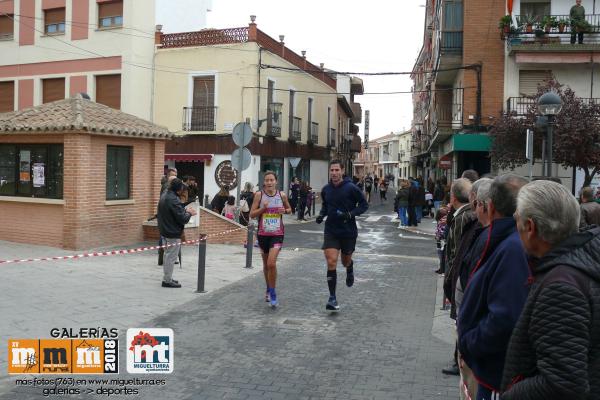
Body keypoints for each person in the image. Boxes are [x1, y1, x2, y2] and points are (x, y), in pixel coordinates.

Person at [500, 180, 600, 400]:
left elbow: (562, 384)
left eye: (517, 218)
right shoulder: (582, 261)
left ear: (530, 227)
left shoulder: (561, 286)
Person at [457, 174, 530, 400]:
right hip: (492, 368)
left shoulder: (511, 247)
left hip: (497, 372)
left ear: (489, 206)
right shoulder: (504, 239)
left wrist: (470, 342)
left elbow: (505, 318)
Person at [316, 160, 369, 311]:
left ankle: (349, 266)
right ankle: (332, 298)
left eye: (336, 170)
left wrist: (350, 214)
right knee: (331, 261)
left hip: (348, 232)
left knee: (345, 262)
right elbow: (326, 205)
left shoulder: (351, 188)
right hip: (331, 230)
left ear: (342, 170)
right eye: (331, 170)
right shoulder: (326, 189)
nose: (333, 173)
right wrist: (321, 214)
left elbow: (364, 205)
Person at [441, 178, 477, 376]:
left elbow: (455, 253)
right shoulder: (467, 214)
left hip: (460, 278)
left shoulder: (461, 218)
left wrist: (449, 281)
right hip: (463, 277)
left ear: (453, 197)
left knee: (460, 320)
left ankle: (458, 359)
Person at [249, 171, 292, 307]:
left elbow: (290, 209)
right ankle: (268, 288)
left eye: (271, 180)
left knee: (271, 264)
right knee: (266, 265)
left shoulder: (282, 195)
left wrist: (284, 211)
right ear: (264, 182)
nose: (269, 182)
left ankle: (273, 293)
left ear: (276, 182)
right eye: (267, 180)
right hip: (263, 234)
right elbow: (251, 214)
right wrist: (263, 209)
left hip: (277, 234)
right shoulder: (259, 195)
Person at [157, 178, 197, 288]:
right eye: (182, 189)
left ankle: (168, 277)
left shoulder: (166, 194)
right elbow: (182, 218)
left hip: (164, 230)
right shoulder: (173, 199)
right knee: (171, 257)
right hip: (172, 232)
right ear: (178, 189)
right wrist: (189, 213)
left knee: (167, 255)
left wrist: (183, 208)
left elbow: (174, 210)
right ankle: (167, 280)